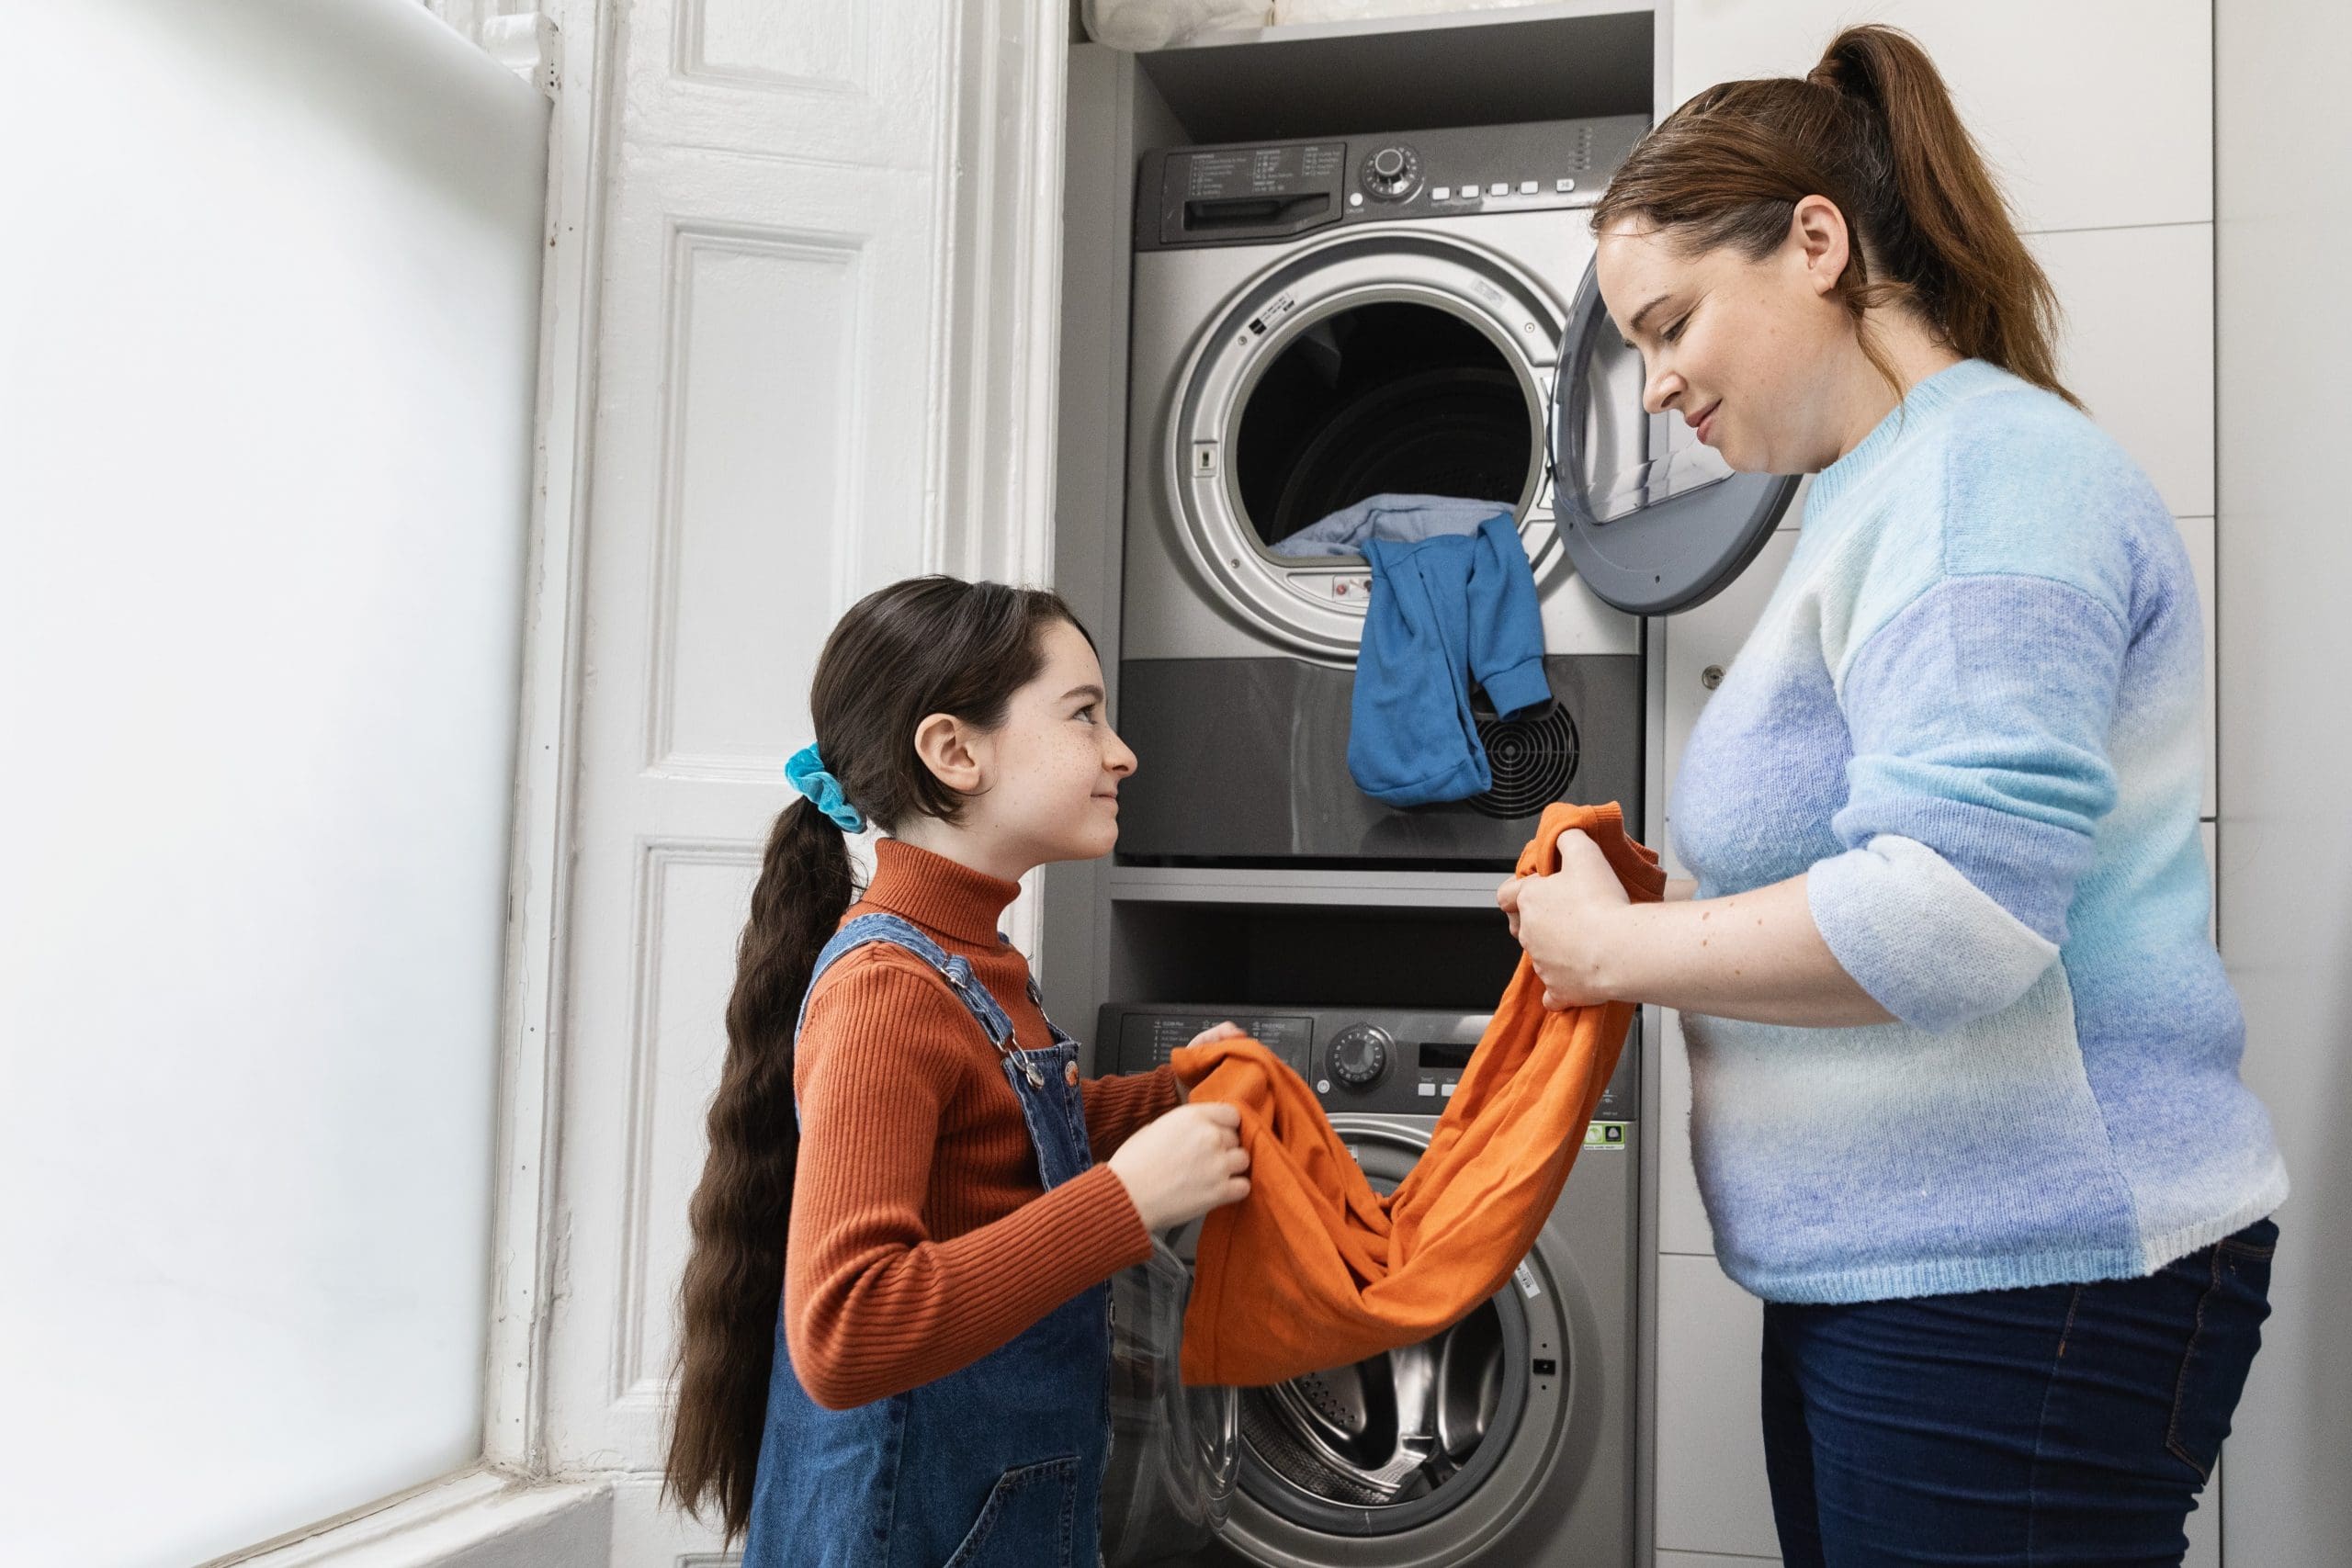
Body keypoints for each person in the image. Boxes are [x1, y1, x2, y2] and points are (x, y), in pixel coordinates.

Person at [1498, 25, 2286, 1565]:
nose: (1656, 387)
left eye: (1672, 325)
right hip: (1931, 1276)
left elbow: (1952, 915)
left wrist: (1619, 952)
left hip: (2024, 1275)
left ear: (1815, 242)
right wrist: (1671, 906)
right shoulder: (1881, 491)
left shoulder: (1982, 484)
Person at [662, 575, 1251, 1565]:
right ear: (953, 751)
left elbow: (994, 1146)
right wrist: (1125, 1200)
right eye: (1084, 715)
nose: (1122, 753)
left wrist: (1174, 1094)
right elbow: (847, 1331)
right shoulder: (892, 987)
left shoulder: (973, 956)